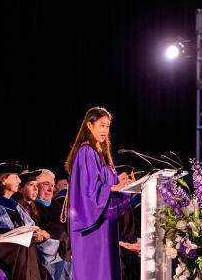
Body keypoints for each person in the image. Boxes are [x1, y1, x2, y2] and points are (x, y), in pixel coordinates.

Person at [64, 106, 133, 280]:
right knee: (95, 272)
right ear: (89, 125)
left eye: (108, 126)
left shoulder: (100, 153)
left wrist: (120, 182)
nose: (105, 130)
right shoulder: (86, 152)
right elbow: (89, 190)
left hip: (103, 224)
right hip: (91, 226)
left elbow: (103, 182)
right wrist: (113, 187)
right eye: (101, 125)